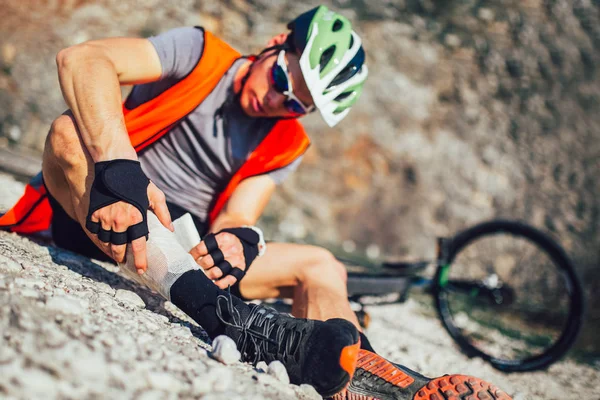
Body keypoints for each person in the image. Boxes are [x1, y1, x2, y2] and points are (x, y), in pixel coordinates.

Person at [1, 5, 513, 399]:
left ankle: (359, 374)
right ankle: (224, 317)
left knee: (321, 264)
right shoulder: (200, 53)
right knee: (68, 134)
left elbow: (239, 215)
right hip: (100, 209)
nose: (277, 101)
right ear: (275, 44)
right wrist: (118, 165)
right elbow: (83, 59)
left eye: (295, 104)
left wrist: (238, 239)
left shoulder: (285, 142)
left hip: (186, 250)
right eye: (283, 80)